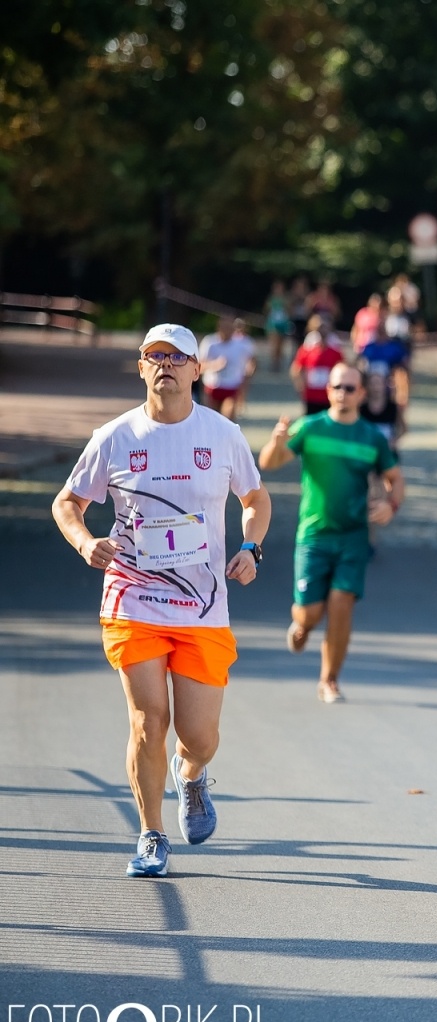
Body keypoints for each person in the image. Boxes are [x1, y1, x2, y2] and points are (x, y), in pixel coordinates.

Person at [50, 324, 271, 878]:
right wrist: (85, 542)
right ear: (142, 367)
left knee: (198, 736)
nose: (165, 365)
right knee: (149, 720)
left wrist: (252, 546)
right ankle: (151, 835)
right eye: (155, 356)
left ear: (199, 369)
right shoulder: (114, 436)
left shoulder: (223, 435)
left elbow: (255, 498)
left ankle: (191, 776)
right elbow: (67, 502)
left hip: (202, 605)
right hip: (132, 598)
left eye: (178, 357)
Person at [258, 363, 404, 704]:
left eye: (350, 388)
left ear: (362, 394)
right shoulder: (310, 427)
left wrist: (390, 506)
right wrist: (277, 443)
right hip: (313, 535)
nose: (343, 393)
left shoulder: (371, 437)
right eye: (337, 387)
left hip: (353, 536)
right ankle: (302, 626)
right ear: (328, 392)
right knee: (309, 613)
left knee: (341, 604)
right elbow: (268, 463)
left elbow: (395, 479)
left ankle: (330, 680)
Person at [358, 322, 411, 448]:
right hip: (370, 390)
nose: (380, 332)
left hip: (388, 390)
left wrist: (403, 392)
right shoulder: (369, 347)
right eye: (378, 329)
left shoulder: (395, 348)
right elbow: (360, 365)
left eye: (382, 329)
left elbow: (404, 371)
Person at [199, 317, 255, 421]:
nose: (227, 330)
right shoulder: (210, 342)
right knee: (212, 420)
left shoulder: (241, 344)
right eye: (224, 327)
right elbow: (198, 367)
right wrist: (214, 365)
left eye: (230, 327)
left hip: (232, 387)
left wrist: (247, 377)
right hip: (212, 386)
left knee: (227, 419)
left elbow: (252, 361)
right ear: (219, 327)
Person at [291, 314, 347, 416]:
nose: (322, 330)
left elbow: (343, 371)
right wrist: (300, 387)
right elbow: (296, 369)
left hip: (329, 396)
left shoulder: (335, 352)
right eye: (319, 327)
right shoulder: (306, 349)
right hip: (311, 396)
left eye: (325, 327)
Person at [264, 280, 294, 372]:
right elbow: (266, 310)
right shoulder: (271, 298)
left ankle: (278, 361)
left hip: (283, 323)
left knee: (280, 344)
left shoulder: (286, 299)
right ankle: (274, 362)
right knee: (274, 343)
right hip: (273, 323)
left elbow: (290, 311)